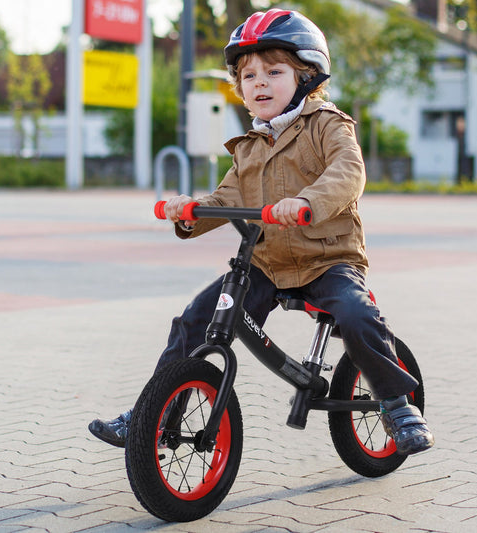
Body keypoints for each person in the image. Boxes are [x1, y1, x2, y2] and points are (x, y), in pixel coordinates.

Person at [89, 9, 434, 456]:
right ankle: (153, 414)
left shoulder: (328, 125)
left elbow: (348, 173)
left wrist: (307, 203)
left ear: (307, 77)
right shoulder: (248, 147)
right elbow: (226, 199)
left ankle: (396, 402)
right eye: (249, 75)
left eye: (274, 71)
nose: (260, 83)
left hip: (327, 259)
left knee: (355, 314)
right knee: (196, 319)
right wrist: (190, 211)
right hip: (266, 263)